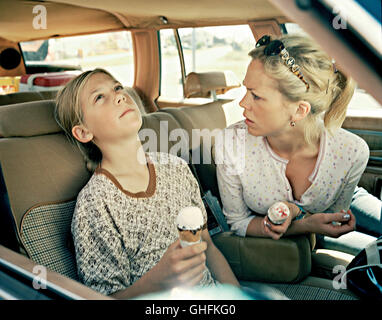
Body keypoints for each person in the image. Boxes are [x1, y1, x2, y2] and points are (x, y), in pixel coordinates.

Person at [54, 68, 240, 299]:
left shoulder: (177, 168)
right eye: (99, 97)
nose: (120, 96)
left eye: (118, 87)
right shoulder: (95, 203)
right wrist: (158, 281)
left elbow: (208, 247)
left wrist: (238, 296)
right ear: (83, 132)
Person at [215, 34, 369, 242]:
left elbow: (334, 222)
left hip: (348, 198)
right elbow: (238, 222)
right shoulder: (230, 143)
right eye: (246, 90)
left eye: (256, 95)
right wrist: (303, 223)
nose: (242, 103)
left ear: (299, 110)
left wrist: (302, 216)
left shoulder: (352, 152)